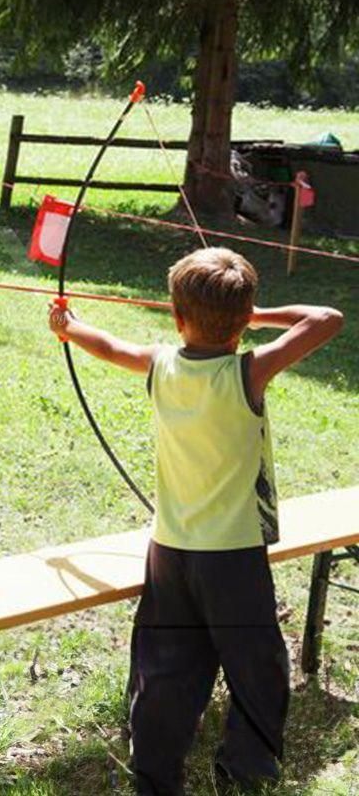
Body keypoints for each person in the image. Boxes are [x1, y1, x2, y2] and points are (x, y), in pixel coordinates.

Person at [47, 246, 344, 795]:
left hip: (170, 550)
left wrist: (70, 327)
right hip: (232, 556)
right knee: (256, 667)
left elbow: (110, 346)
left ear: (177, 317)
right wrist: (258, 315)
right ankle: (245, 770)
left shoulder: (160, 363)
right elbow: (327, 319)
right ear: (241, 320)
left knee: (166, 667)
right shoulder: (248, 372)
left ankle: (155, 776)